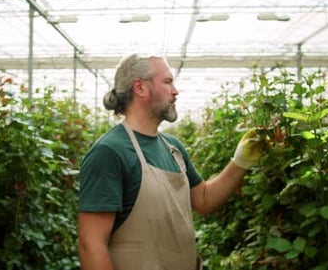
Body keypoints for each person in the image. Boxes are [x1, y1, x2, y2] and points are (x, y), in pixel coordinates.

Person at [77, 53, 265, 270]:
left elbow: (203, 199)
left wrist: (240, 161)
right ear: (140, 88)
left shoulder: (173, 148)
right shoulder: (110, 152)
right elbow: (91, 244)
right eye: (167, 82)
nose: (175, 91)